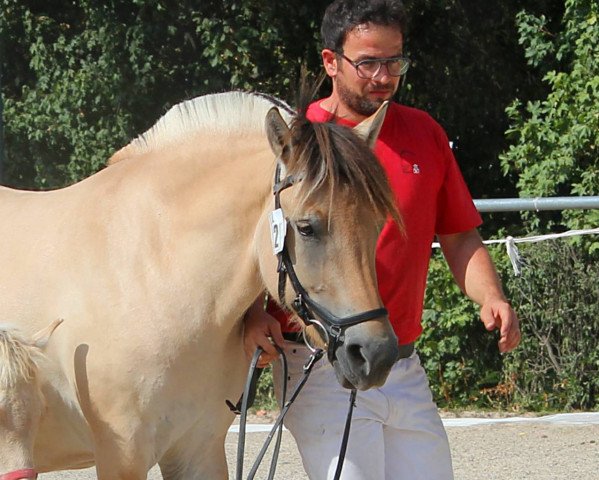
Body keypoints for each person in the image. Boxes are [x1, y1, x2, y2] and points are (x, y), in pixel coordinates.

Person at [244, 0, 521, 478]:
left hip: (400, 360)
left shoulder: (424, 134)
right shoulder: (291, 142)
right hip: (321, 363)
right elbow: (242, 247)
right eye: (368, 62)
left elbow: (458, 236)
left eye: (395, 61)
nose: (384, 76)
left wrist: (490, 294)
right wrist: (250, 314)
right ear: (331, 61)